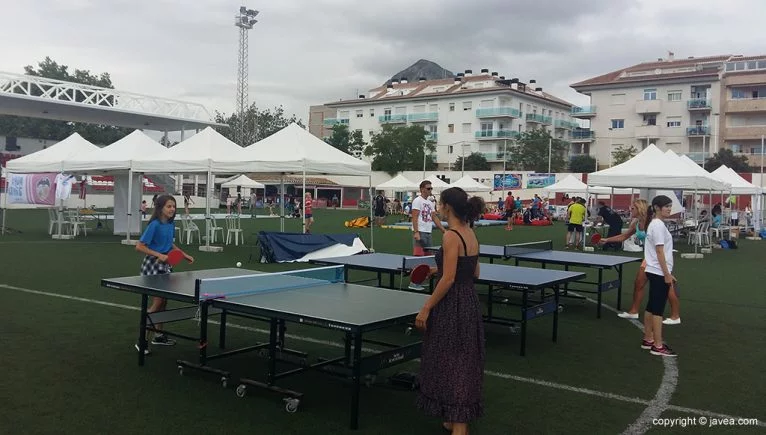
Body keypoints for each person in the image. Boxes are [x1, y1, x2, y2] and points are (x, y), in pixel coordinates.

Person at [415, 187, 485, 435]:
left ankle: (459, 424)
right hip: (469, 301)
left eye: (439, 203)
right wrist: (437, 270)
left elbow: (449, 279)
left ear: (447, 207)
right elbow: (474, 272)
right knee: (465, 359)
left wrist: (426, 307)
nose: (437, 208)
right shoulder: (470, 233)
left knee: (449, 359)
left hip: (451, 304)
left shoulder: (450, 236)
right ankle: (454, 418)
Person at [134, 195, 194, 354]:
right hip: (153, 265)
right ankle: (142, 340)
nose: (172, 209)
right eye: (169, 206)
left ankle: (159, 336)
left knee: (164, 301)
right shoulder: (154, 225)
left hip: (165, 265)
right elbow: (139, 246)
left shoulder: (171, 224)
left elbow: (169, 243)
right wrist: (158, 255)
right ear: (160, 208)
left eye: (173, 206)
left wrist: (182, 254)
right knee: (158, 303)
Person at [641, 195, 677, 357]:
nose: (669, 208)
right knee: (658, 310)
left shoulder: (656, 224)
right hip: (658, 272)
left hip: (655, 270)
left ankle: (648, 339)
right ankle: (658, 345)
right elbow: (659, 251)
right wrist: (667, 274)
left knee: (651, 306)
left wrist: (668, 273)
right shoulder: (658, 225)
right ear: (656, 207)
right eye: (666, 206)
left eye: (670, 206)